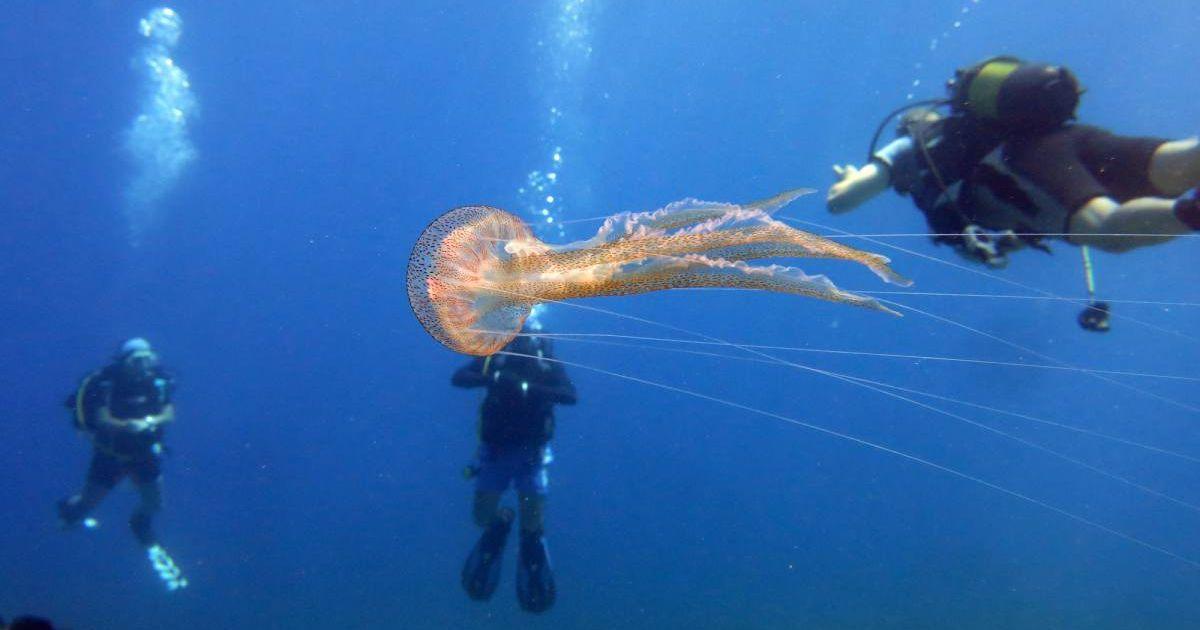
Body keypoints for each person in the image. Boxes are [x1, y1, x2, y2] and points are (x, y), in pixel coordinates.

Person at [826, 56, 1200, 268]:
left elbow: (841, 202)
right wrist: (1009, 243)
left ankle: (1193, 212)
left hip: (1026, 161)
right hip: (1069, 136)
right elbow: (1006, 236)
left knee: (1106, 230)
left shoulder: (916, 147)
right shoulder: (997, 124)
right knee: (1171, 166)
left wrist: (851, 177)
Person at [452, 323, 577, 613]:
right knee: (482, 517)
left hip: (532, 454)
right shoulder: (495, 356)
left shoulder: (547, 363)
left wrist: (529, 388)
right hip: (495, 451)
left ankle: (531, 542)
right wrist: (495, 377)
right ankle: (501, 524)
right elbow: (459, 378)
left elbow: (570, 395)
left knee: (532, 519)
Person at [57, 337, 188, 591]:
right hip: (110, 455)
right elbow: (102, 419)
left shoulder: (158, 382)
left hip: (145, 454)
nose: (144, 365)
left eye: (149, 358)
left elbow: (169, 412)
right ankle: (69, 512)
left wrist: (150, 421)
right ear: (125, 362)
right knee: (87, 502)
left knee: (154, 503)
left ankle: (138, 524)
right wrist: (127, 426)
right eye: (137, 360)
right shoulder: (108, 384)